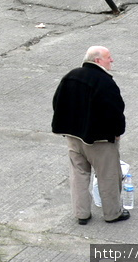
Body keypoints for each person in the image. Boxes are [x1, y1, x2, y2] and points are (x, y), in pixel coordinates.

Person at [52, 45, 129, 225]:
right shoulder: (104, 82)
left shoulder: (70, 76)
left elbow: (57, 102)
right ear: (97, 60)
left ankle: (82, 214)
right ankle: (112, 213)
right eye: (108, 57)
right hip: (99, 141)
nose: (112, 60)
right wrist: (117, 133)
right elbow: (115, 110)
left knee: (78, 175)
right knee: (108, 176)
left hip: (73, 138)